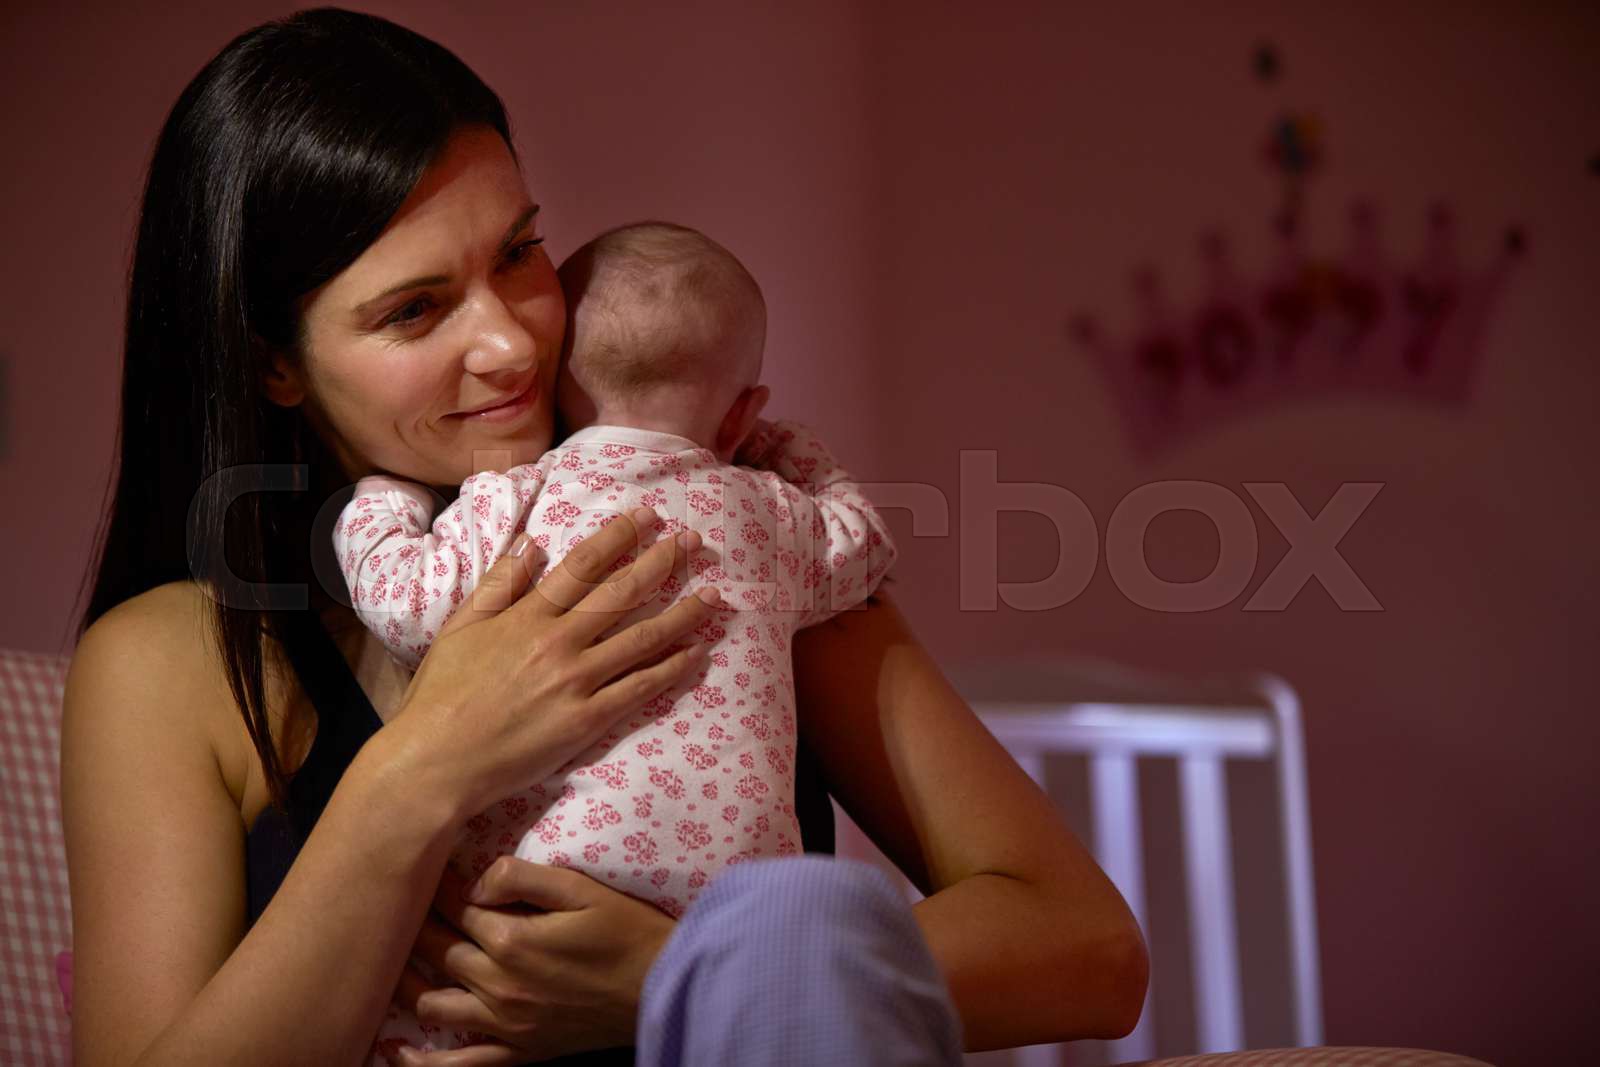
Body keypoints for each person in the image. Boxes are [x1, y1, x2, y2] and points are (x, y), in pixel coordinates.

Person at [60, 8, 1148, 1067]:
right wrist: (424, 767)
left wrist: (683, 974)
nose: (511, 338)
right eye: (414, 310)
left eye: (521, 250)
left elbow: (1087, 950)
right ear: (275, 362)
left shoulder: (711, 543)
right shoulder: (174, 663)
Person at [339, 220, 898, 1055]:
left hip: (546, 888)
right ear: (742, 412)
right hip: (738, 904)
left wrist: (382, 500)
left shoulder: (515, 495)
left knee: (439, 1008)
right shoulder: (766, 515)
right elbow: (864, 542)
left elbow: (408, 605)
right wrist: (789, 453)